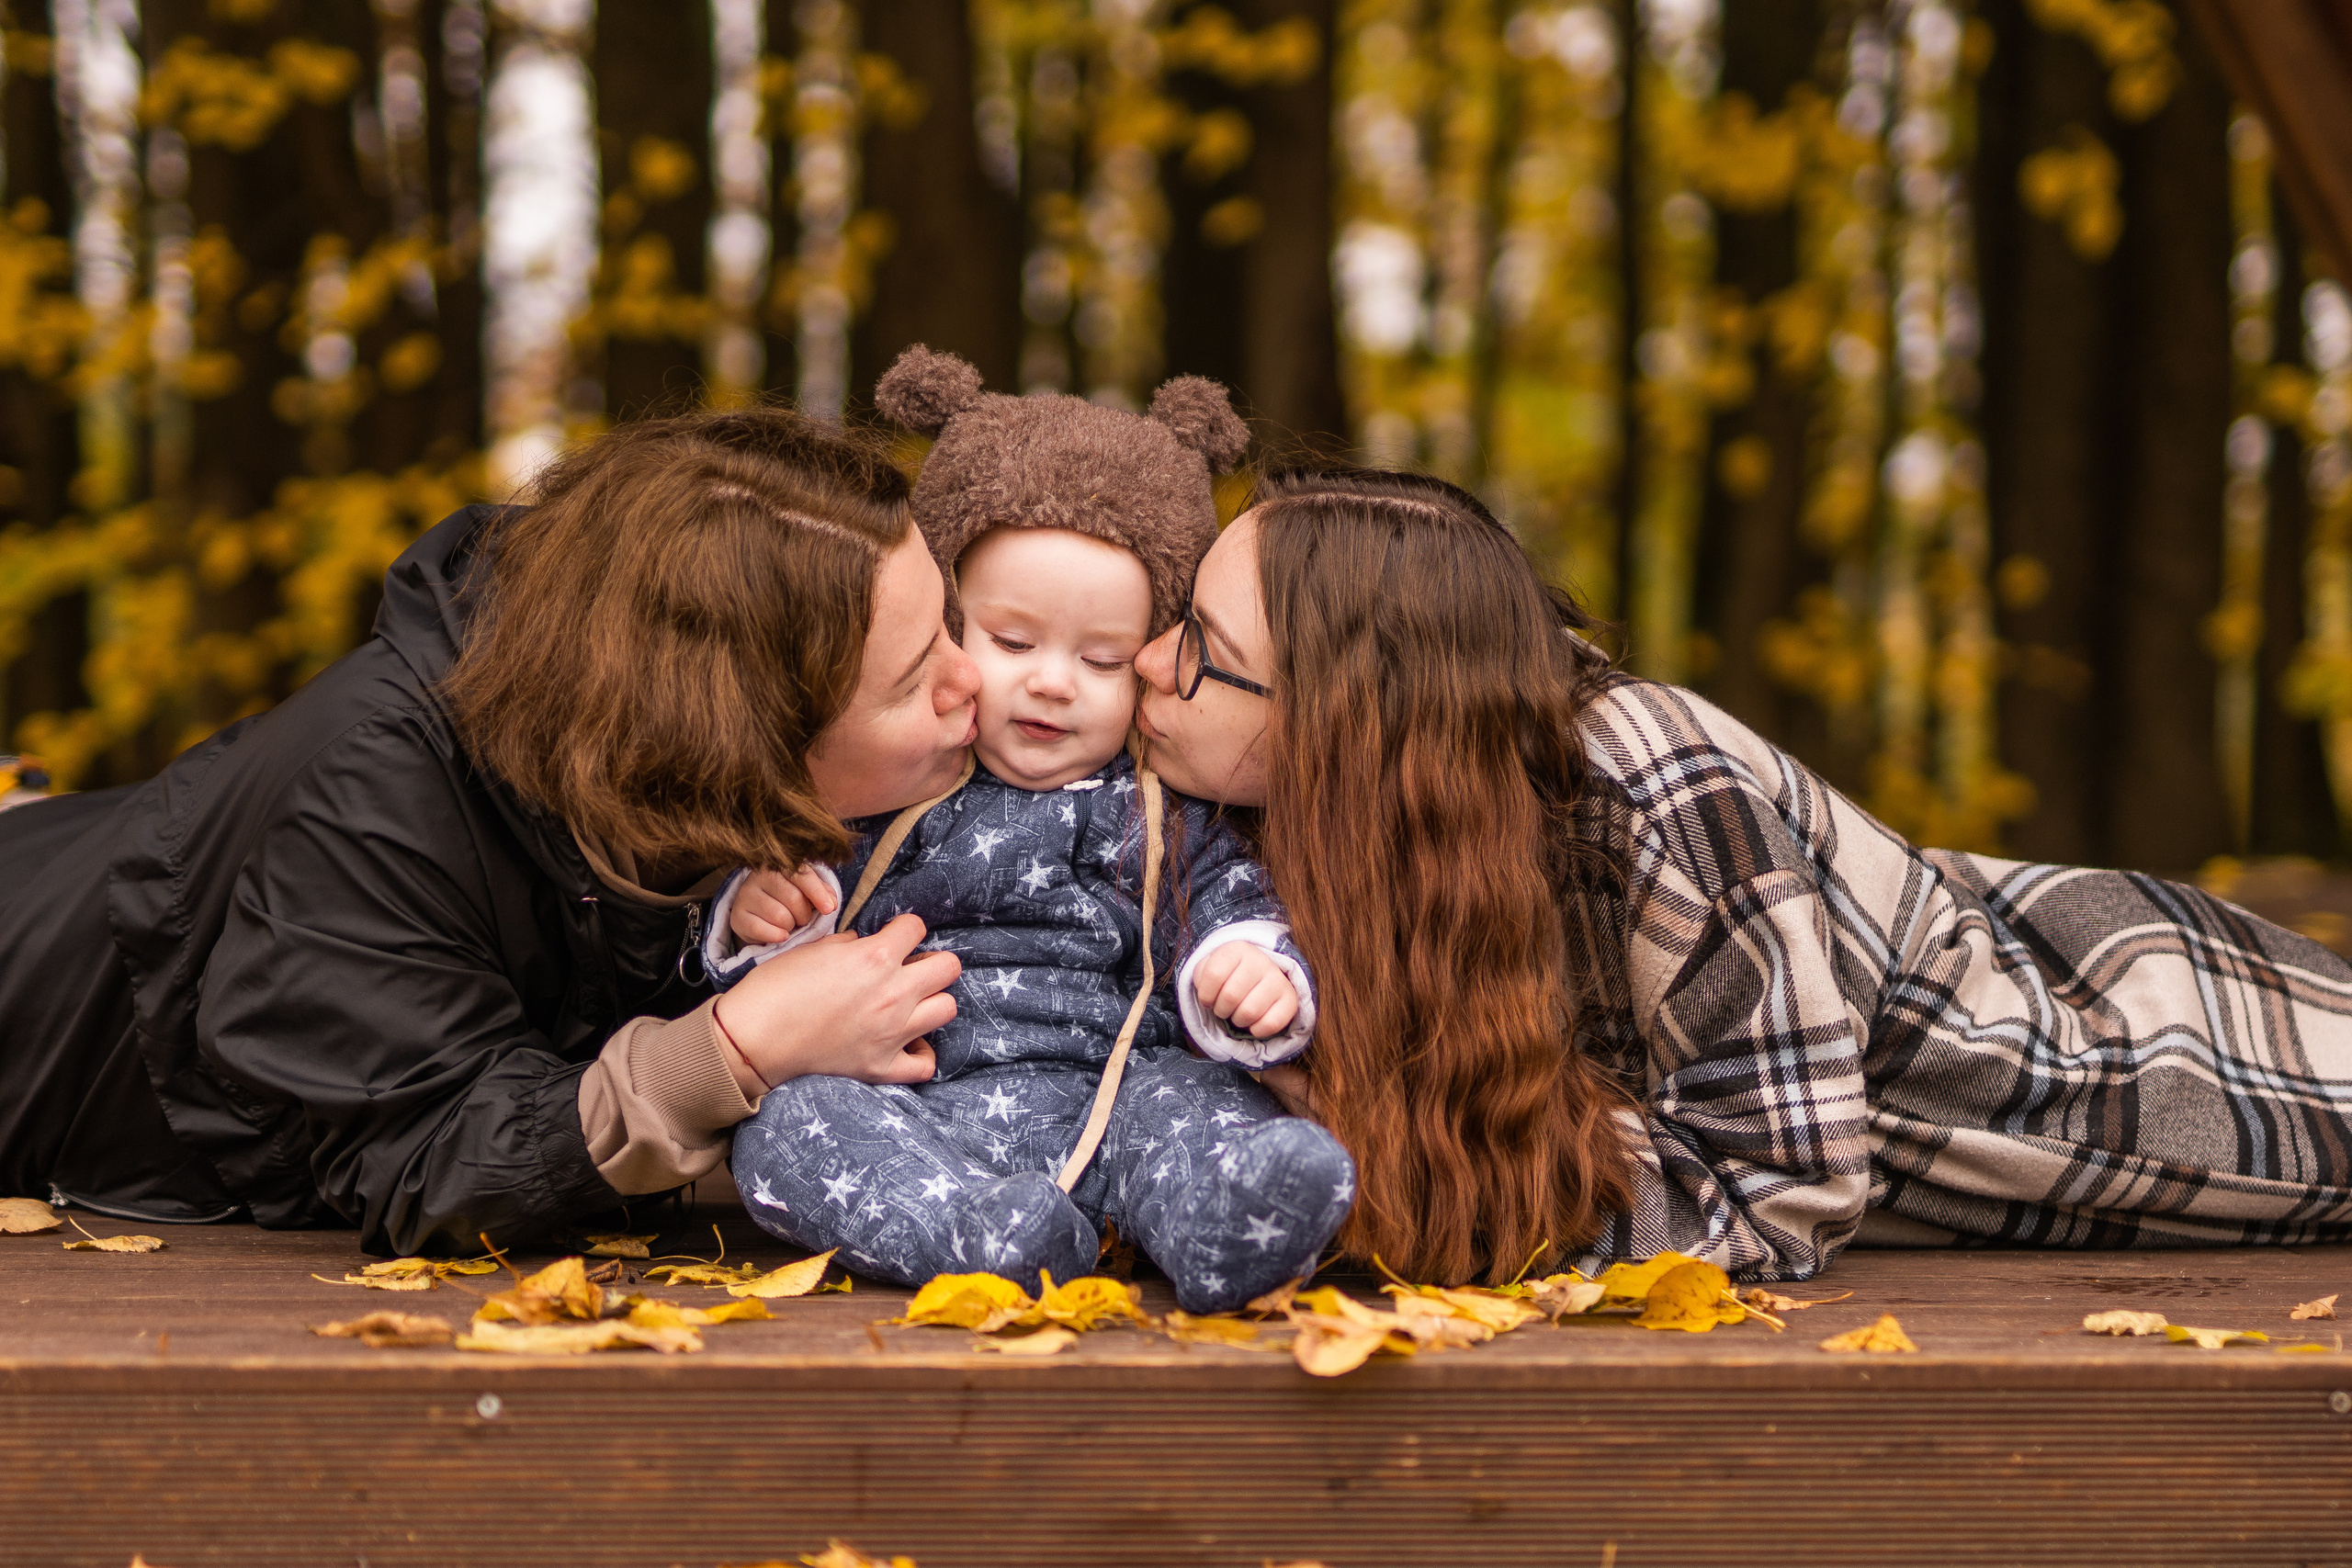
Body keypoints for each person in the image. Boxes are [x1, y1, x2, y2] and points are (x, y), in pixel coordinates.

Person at [1131, 466, 2352, 1285]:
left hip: (2185, 1068)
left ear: (1354, 725)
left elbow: (1780, 1189)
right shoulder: (1320, 822)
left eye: (1203, 651)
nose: (1146, 659)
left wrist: (1376, 1167)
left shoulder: (1652, 774)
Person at [0, 407, 980, 1256]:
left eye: (950, 626)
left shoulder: (635, 695)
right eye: (909, 680)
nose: (970, 678)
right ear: (740, 742)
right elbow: (424, 1158)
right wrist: (738, 1047)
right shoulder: (371, 801)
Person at [706, 348, 1354, 1311]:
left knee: (1209, 1105)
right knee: (790, 1127)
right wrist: (763, 916)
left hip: (1117, 1091)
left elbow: (1228, 900)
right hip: (915, 1109)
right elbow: (792, 928)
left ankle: (1223, 1223)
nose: (1052, 682)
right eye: (1012, 643)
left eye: (1100, 659)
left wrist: (1249, 967)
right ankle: (969, 1237)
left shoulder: (1156, 803)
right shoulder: (894, 777)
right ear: (944, 623)